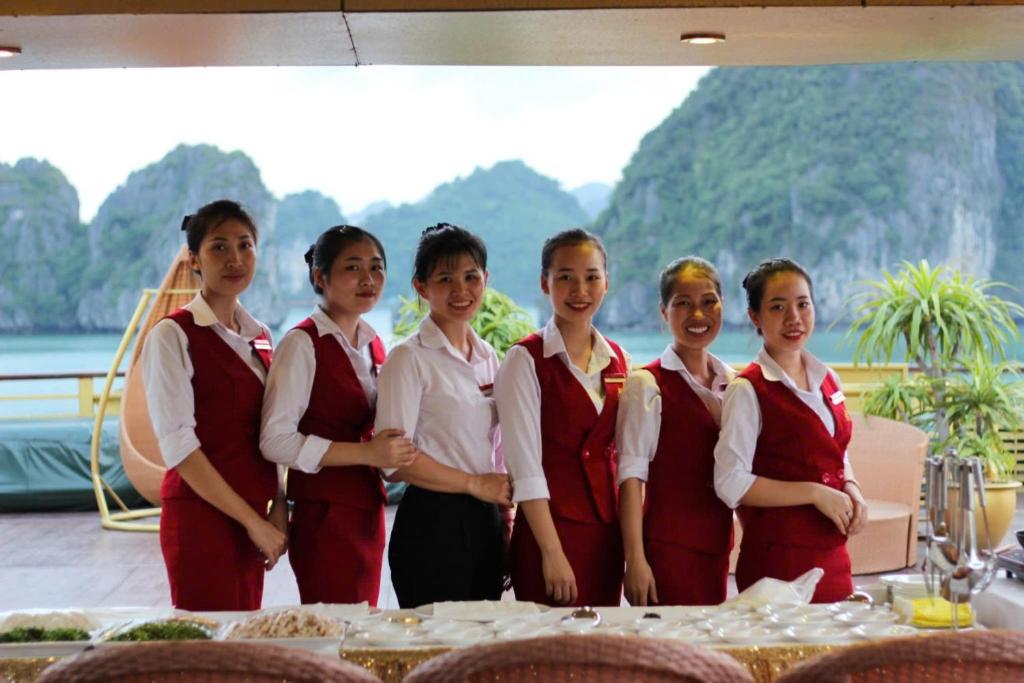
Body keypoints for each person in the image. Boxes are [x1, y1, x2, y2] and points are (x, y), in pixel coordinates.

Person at [142, 199, 287, 611]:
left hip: (254, 518)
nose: (235, 259)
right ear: (194, 261)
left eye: (245, 245)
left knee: (243, 650)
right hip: (200, 519)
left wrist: (277, 503)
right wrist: (252, 522)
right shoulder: (172, 335)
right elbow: (179, 448)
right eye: (218, 247)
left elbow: (269, 432)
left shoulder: (260, 335)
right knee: (207, 655)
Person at [260, 225, 416, 606]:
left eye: (376, 268)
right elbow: (275, 440)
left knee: (363, 626)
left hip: (368, 511)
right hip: (323, 517)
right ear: (320, 276)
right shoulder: (301, 344)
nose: (368, 279)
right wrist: (366, 455)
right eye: (352, 268)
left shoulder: (373, 343)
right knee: (335, 630)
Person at [714, 257, 868, 603]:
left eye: (803, 304)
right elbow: (729, 482)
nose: (794, 318)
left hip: (834, 555)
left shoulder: (829, 379)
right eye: (778, 307)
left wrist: (853, 488)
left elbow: (836, 451)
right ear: (755, 317)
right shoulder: (748, 389)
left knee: (835, 653)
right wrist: (814, 493)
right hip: (777, 563)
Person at [375, 223, 512, 609]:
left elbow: (497, 446)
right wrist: (473, 484)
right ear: (421, 287)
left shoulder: (488, 356)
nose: (461, 290)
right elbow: (393, 463)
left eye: (471, 277)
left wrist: (504, 518)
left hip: (486, 518)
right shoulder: (408, 357)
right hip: (431, 520)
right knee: (435, 654)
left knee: (479, 651)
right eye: (445, 279)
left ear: (486, 279)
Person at [495, 228, 628, 607]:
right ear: (544, 283)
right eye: (565, 277)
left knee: (599, 654)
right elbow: (525, 466)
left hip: (605, 537)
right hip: (548, 535)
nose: (579, 290)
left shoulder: (617, 358)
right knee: (549, 656)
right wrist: (552, 554)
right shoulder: (525, 360)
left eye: (591, 277)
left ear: (607, 282)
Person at [616, 256, 735, 606]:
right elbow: (630, 480)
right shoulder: (647, 384)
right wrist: (635, 561)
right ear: (664, 312)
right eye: (683, 303)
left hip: (717, 547)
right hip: (667, 551)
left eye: (708, 302)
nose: (698, 315)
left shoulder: (734, 382)